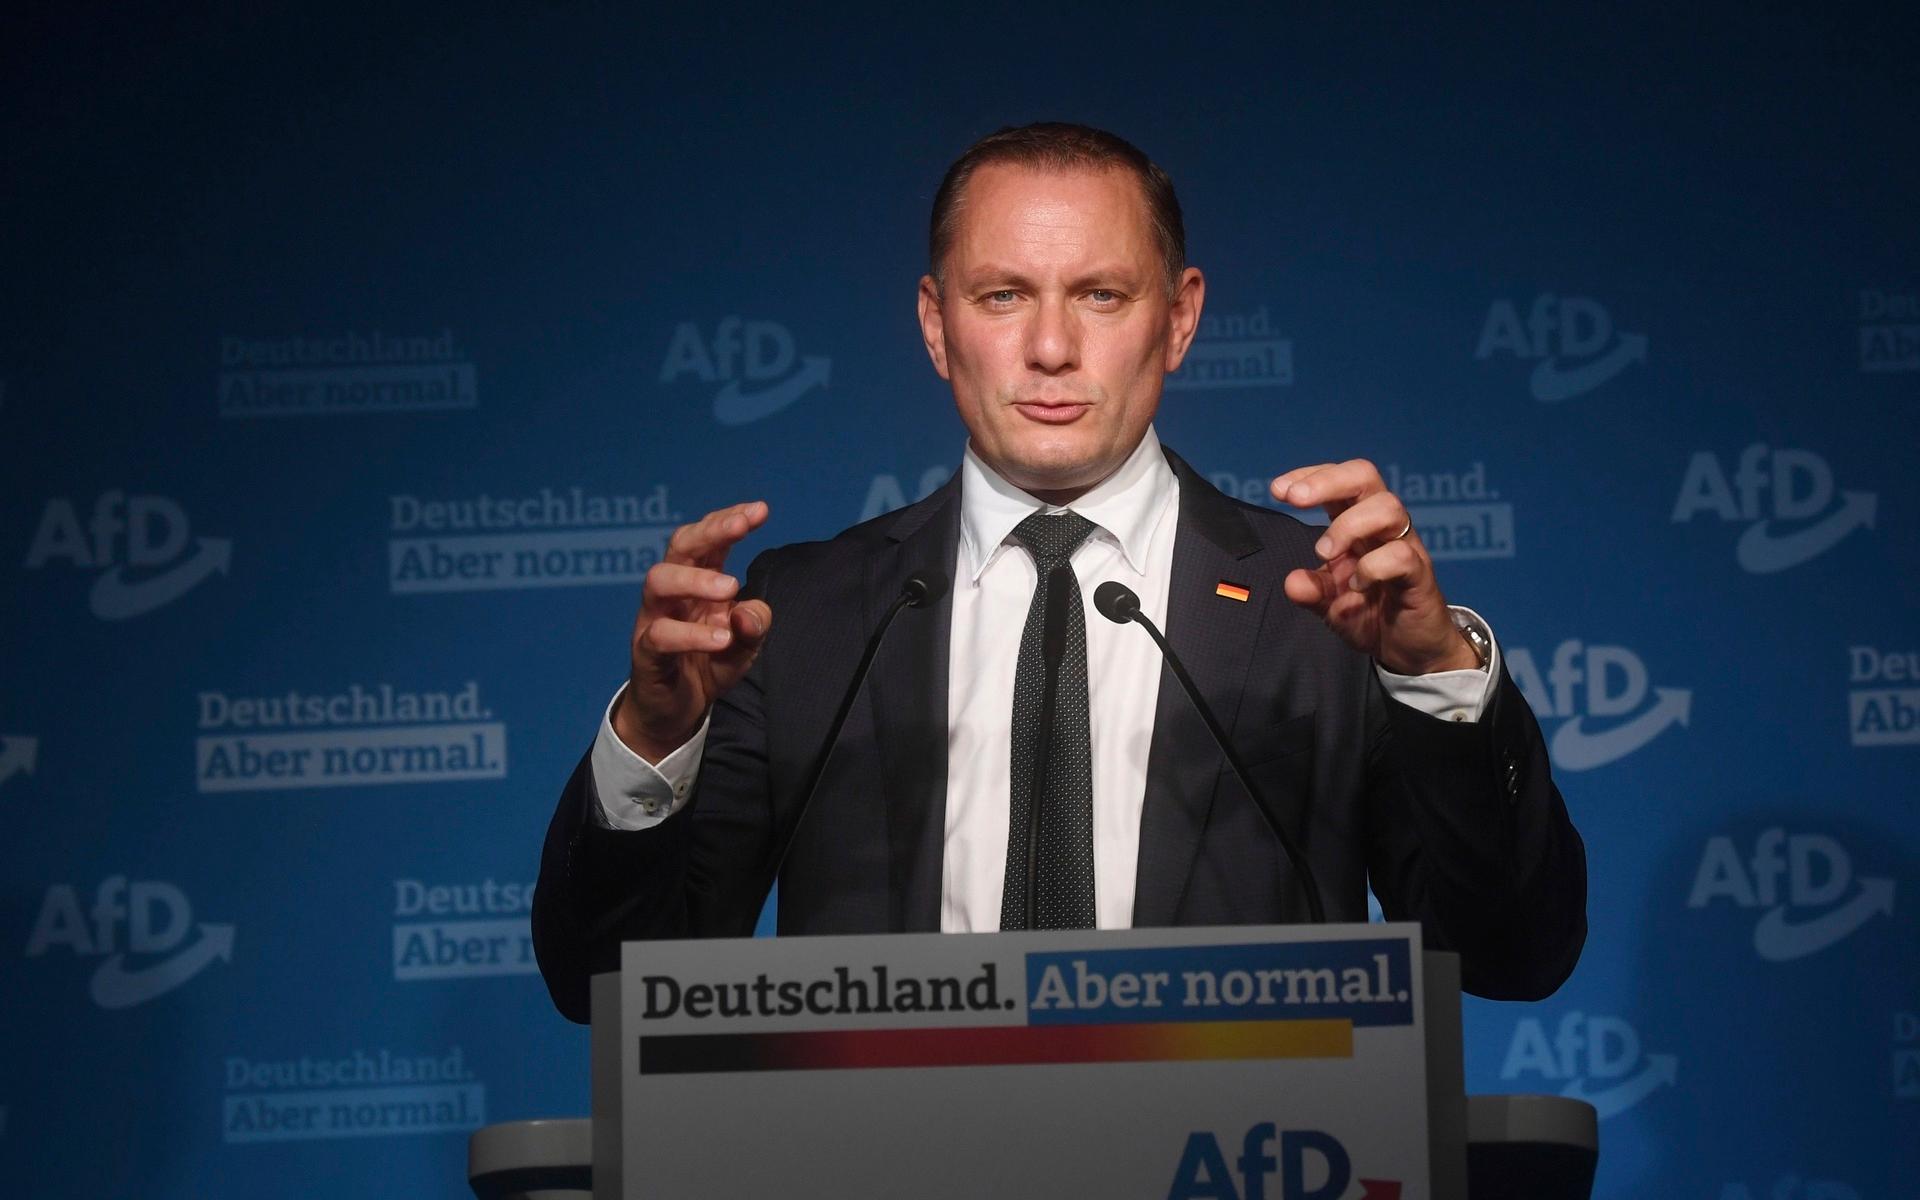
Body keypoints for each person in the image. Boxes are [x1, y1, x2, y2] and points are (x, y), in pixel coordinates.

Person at [533, 123, 1586, 1023]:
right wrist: (654, 745)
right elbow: (606, 985)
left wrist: (1435, 678)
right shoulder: (803, 613)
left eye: (1099, 294)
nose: (1049, 346)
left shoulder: (1322, 606)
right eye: (1001, 296)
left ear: (1177, 318)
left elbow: (1512, 955)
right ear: (937, 326)